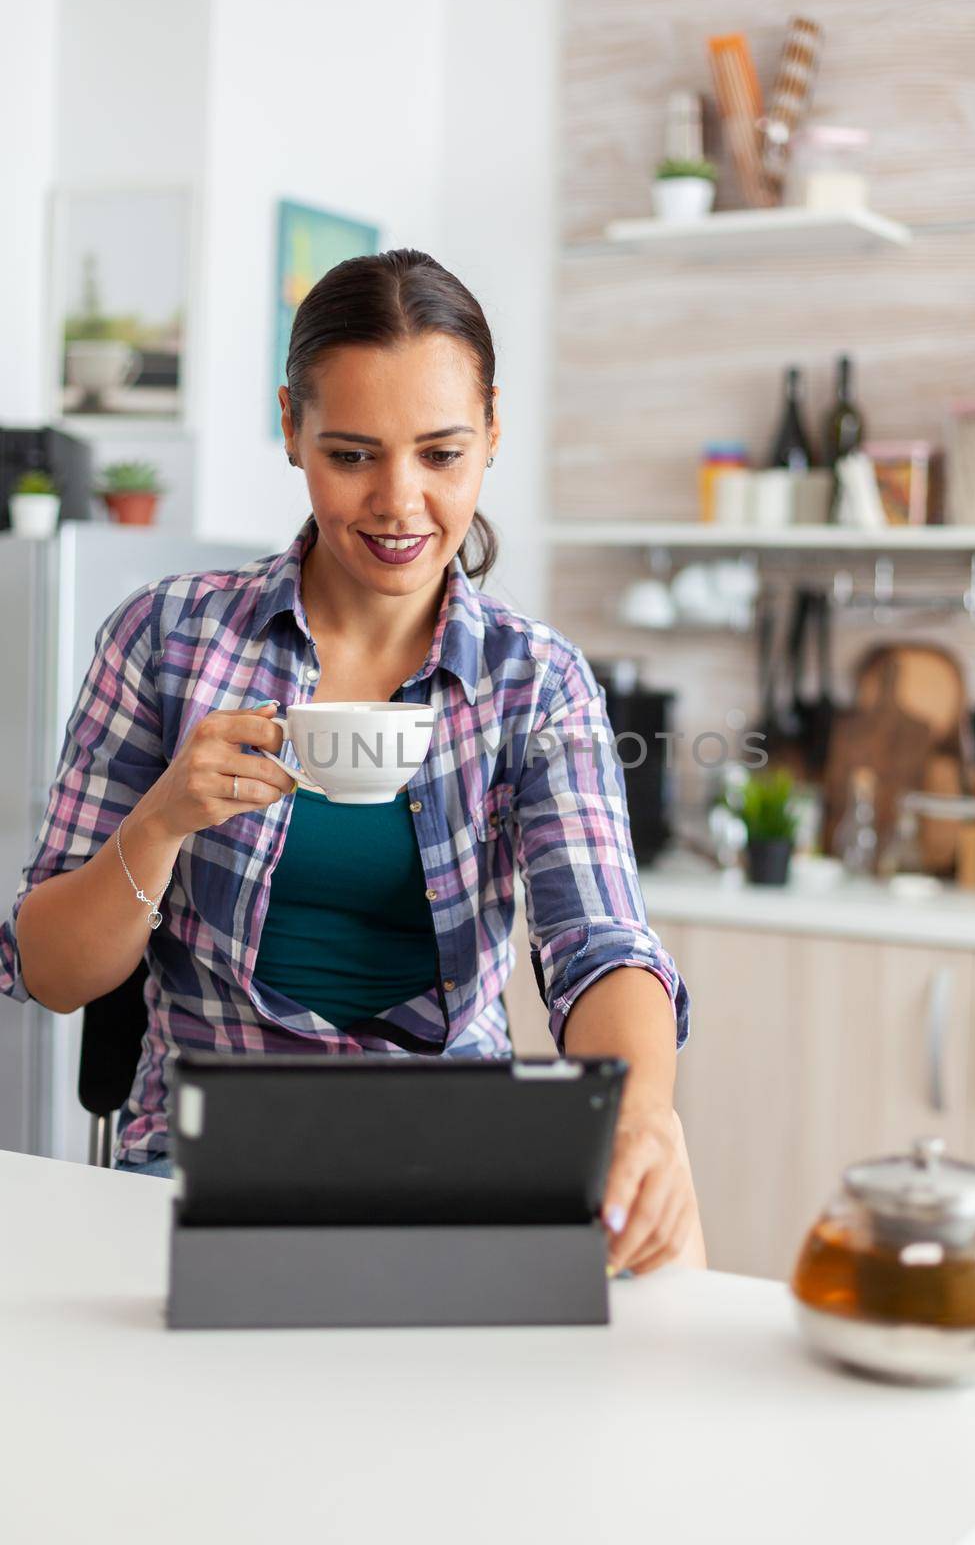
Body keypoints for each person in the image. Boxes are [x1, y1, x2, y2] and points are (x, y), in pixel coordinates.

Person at [1, 248, 705, 1277]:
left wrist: (640, 1113)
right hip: (200, 1170)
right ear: (290, 426)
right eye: (351, 454)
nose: (397, 502)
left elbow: (597, 941)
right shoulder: (166, 639)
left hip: (458, 1160)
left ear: (492, 432)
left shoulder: (536, 682)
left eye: (440, 454)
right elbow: (48, 972)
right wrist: (159, 822)